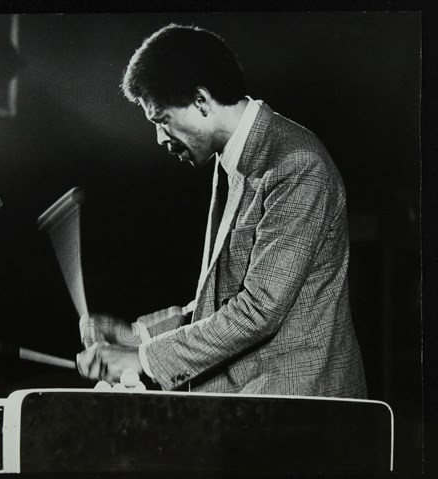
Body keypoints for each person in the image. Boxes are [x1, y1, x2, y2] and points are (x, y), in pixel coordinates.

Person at [76, 23, 367, 398]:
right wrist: (137, 335)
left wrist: (143, 359)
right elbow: (225, 296)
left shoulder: (297, 164)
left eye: (161, 120)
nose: (161, 139)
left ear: (201, 101)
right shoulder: (233, 158)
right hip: (254, 403)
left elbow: (259, 310)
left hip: (299, 406)